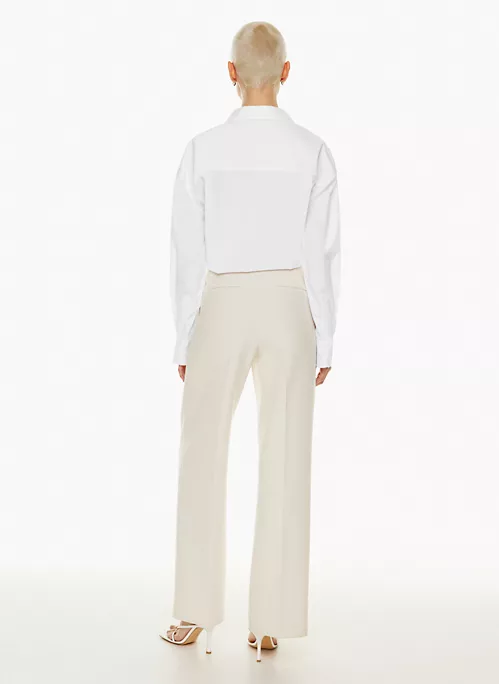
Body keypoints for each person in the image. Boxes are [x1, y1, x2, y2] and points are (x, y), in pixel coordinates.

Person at [160, 21, 341, 663]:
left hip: (222, 302)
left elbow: (187, 251)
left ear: (231, 73)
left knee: (201, 453)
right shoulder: (313, 151)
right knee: (287, 454)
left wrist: (185, 334)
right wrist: (325, 334)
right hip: (291, 304)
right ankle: (271, 621)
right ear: (286, 73)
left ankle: (194, 610)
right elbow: (323, 252)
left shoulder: (202, 151)